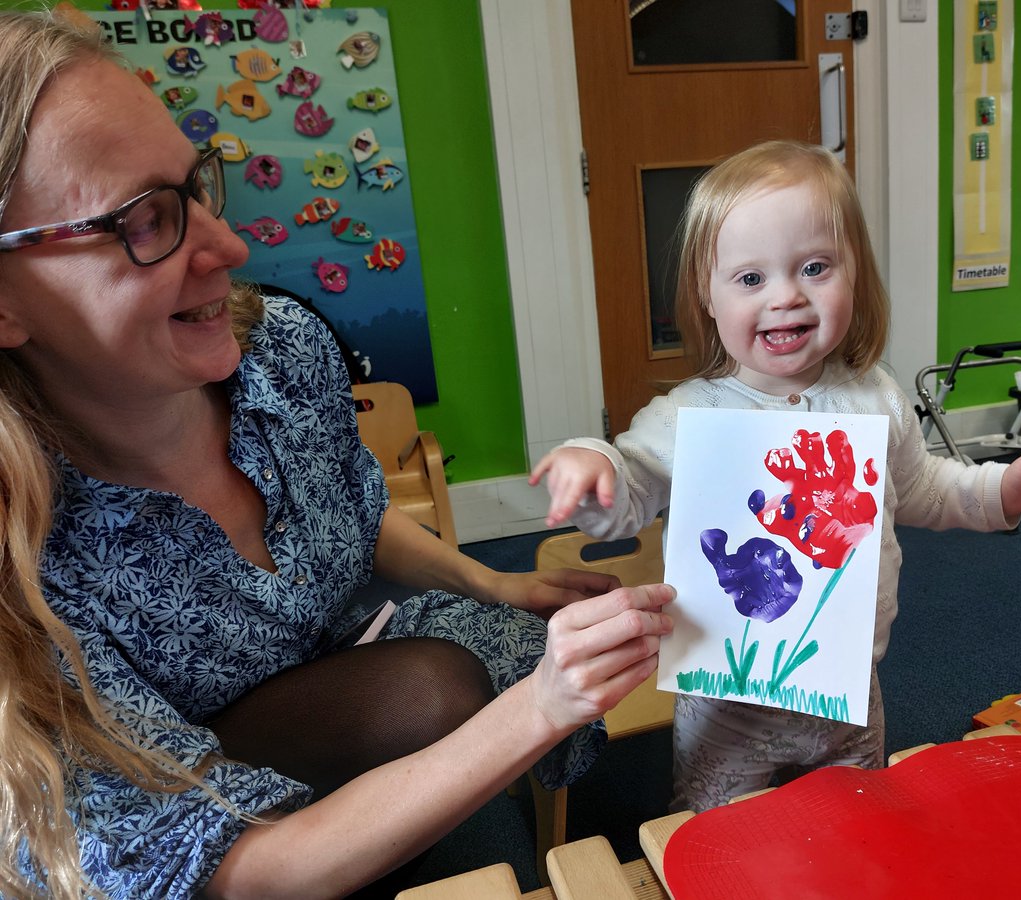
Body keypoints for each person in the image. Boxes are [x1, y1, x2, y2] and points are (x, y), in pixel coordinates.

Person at [0, 9, 673, 899]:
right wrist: (540, 707)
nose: (230, 248)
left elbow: (352, 512)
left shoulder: (278, 353)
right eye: (144, 222)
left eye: (196, 187)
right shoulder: (25, 561)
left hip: (322, 687)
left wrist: (497, 583)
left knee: (490, 657)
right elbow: (233, 871)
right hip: (184, 825)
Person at [530, 139, 1021, 813]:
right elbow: (628, 491)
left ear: (854, 273)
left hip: (851, 693)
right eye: (751, 279)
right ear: (706, 297)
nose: (787, 297)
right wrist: (593, 465)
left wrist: (1002, 491)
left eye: (815, 267)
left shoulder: (876, 396)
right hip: (726, 711)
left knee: (857, 829)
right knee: (725, 842)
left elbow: (922, 491)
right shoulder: (689, 414)